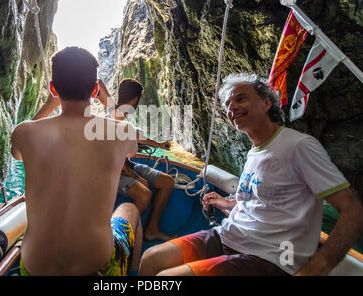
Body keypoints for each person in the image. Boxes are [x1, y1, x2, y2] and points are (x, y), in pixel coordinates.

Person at [139, 73, 363, 276]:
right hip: (228, 235)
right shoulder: (254, 152)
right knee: (151, 260)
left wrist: (318, 266)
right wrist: (227, 202)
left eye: (240, 99)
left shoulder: (299, 146)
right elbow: (260, 199)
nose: (232, 108)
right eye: (227, 104)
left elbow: (352, 210)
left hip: (270, 256)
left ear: (266, 103)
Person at [10, 46, 143, 276]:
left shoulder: (24, 132)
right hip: (98, 267)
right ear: (94, 90)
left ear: (53, 88)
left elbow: (18, 152)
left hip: (34, 269)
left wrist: (50, 104)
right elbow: (132, 149)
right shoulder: (121, 132)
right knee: (129, 209)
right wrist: (109, 102)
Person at [96, 78, 175, 242]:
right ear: (135, 100)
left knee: (167, 182)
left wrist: (159, 144)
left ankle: (151, 229)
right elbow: (114, 161)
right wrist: (135, 177)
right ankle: (117, 240)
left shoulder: (120, 117)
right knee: (144, 194)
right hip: (111, 171)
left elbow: (138, 137)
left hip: (127, 164)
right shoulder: (112, 118)